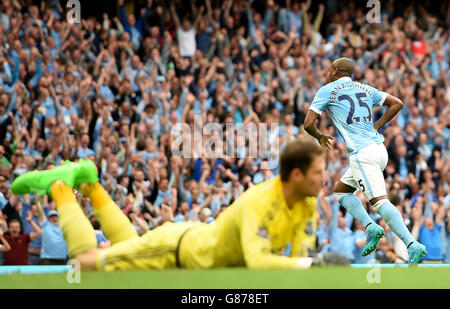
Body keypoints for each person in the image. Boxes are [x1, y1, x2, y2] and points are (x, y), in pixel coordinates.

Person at [10, 140, 349, 271]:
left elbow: (298, 259)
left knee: (128, 247)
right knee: (82, 265)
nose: (325, 178)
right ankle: (61, 186)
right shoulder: (259, 201)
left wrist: (308, 264)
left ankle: (92, 184)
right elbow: (259, 262)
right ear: (296, 174)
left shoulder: (306, 205)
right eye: (319, 172)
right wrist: (312, 265)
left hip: (193, 243)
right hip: (173, 251)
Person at [304, 57, 427, 264]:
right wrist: (376, 126)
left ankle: (411, 244)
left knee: (379, 203)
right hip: (379, 150)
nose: (327, 72)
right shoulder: (365, 88)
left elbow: (308, 124)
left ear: (335, 70)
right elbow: (397, 103)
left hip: (362, 154)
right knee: (341, 191)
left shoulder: (327, 90)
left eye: (329, 69)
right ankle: (371, 227)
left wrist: (320, 136)